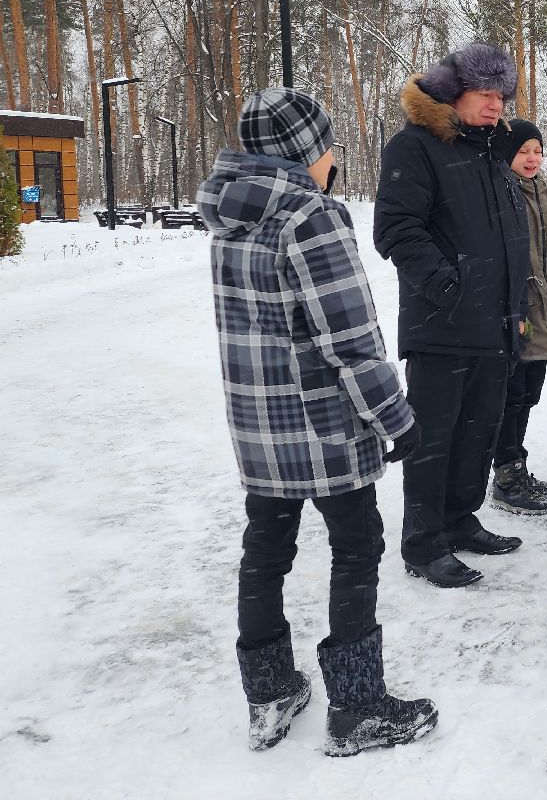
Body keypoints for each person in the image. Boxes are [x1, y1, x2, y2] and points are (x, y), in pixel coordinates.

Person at [198, 87, 435, 757]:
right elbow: (352, 339)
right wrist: (397, 418)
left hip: (258, 425)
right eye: (326, 143)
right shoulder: (311, 217)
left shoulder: (228, 218)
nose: (333, 155)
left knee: (266, 549)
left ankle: (270, 694)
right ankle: (358, 707)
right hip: (325, 426)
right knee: (356, 545)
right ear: (307, 151)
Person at [373, 43, 531, 589]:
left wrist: (515, 306)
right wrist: (448, 286)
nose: (496, 106)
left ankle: (460, 521)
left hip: (494, 325)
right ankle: (423, 543)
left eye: (501, 97)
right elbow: (395, 229)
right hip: (442, 328)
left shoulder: (490, 154)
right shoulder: (414, 147)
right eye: (485, 95)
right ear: (453, 94)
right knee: (434, 439)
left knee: (478, 433)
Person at [490, 119, 547, 514]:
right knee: (509, 398)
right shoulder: (497, 193)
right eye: (523, 151)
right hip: (514, 312)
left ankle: (517, 465)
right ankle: (505, 474)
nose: (532, 158)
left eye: (537, 151)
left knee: (529, 395)